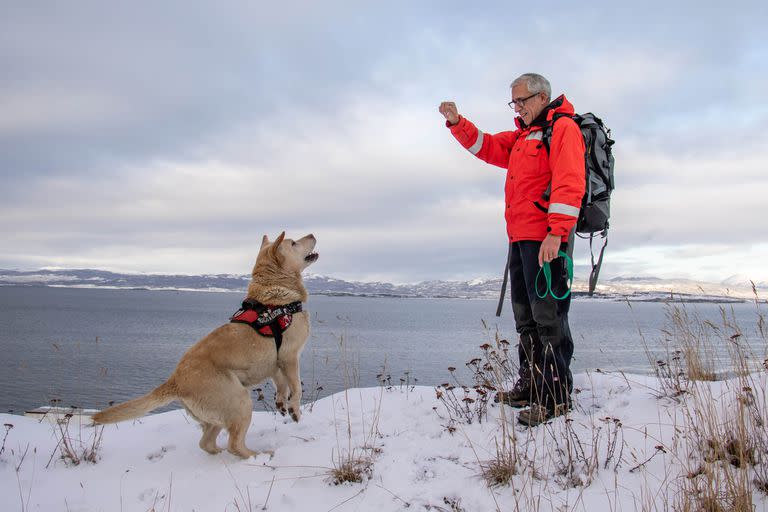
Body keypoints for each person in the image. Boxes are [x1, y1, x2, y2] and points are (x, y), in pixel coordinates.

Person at [439, 73, 585, 426]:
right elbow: (486, 147)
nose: (516, 108)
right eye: (513, 102)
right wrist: (458, 123)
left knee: (548, 318)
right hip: (520, 239)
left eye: (521, 101)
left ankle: (555, 398)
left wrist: (556, 234)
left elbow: (570, 182)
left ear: (541, 97)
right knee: (526, 318)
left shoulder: (562, 129)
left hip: (546, 242)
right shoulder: (523, 137)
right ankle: (530, 386)